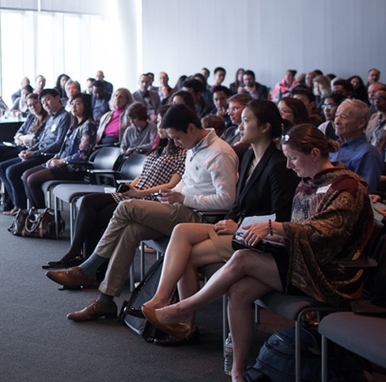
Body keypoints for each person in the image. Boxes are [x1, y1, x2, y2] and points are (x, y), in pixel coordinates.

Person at [142, 124, 374, 382]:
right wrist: (272, 236)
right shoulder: (309, 181)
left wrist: (275, 228)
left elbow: (326, 232)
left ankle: (184, 309)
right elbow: (301, 229)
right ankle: (237, 371)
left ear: (316, 153)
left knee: (242, 258)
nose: (288, 165)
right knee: (239, 291)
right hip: (302, 260)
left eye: (293, 158)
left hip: (331, 274)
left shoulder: (347, 187)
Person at [46, 105, 238, 321]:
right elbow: (188, 181)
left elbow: (227, 200)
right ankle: (105, 301)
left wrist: (184, 198)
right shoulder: (195, 146)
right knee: (131, 230)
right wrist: (172, 193)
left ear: (192, 128)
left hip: (200, 218)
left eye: (177, 138)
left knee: (126, 206)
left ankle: (88, 268)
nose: (175, 143)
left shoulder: (220, 153)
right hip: (181, 207)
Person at [138, 100, 299, 343]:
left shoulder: (278, 164)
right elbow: (237, 203)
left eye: (246, 120)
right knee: (181, 231)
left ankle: (185, 322)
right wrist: (231, 220)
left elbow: (281, 218)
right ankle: (163, 300)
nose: (239, 125)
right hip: (238, 227)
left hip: (259, 239)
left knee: (187, 256)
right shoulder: (248, 157)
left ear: (265, 127)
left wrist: (238, 225)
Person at [44, 107, 186, 269]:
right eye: (159, 122)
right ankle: (76, 253)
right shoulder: (160, 148)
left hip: (149, 198)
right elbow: (144, 174)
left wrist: (139, 192)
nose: (159, 127)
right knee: (87, 201)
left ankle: (88, 266)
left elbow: (171, 185)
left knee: (98, 216)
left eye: (163, 123)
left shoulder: (182, 153)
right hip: (134, 191)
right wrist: (131, 186)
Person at [0, 89, 71, 214]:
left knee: (12, 171)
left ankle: (22, 208)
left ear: (57, 98)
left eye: (48, 99)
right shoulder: (50, 118)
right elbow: (41, 141)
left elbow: (58, 144)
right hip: (38, 152)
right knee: (1, 168)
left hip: (48, 156)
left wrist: (34, 153)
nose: (45, 104)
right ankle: (17, 203)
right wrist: (28, 151)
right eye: (43, 102)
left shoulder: (64, 117)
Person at [0, 93, 48, 212]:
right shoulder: (30, 117)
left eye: (35, 103)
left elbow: (35, 140)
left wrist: (23, 138)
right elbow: (18, 134)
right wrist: (23, 138)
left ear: (41, 103)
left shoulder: (47, 119)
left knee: (0, 164)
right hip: (18, 146)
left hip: (28, 150)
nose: (33, 107)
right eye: (29, 105)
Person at [21, 93, 97, 209]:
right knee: (26, 175)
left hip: (74, 168)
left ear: (85, 105)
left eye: (78, 104)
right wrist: (55, 157)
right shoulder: (74, 125)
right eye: (72, 104)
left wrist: (62, 161)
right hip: (63, 164)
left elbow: (83, 155)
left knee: (32, 179)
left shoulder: (88, 125)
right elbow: (64, 148)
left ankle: (44, 216)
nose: (74, 107)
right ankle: (34, 215)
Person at [333, 99, 383, 192]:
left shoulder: (368, 153)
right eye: (336, 116)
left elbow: (366, 192)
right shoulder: (333, 147)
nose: (336, 121)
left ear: (361, 123)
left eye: (343, 117)